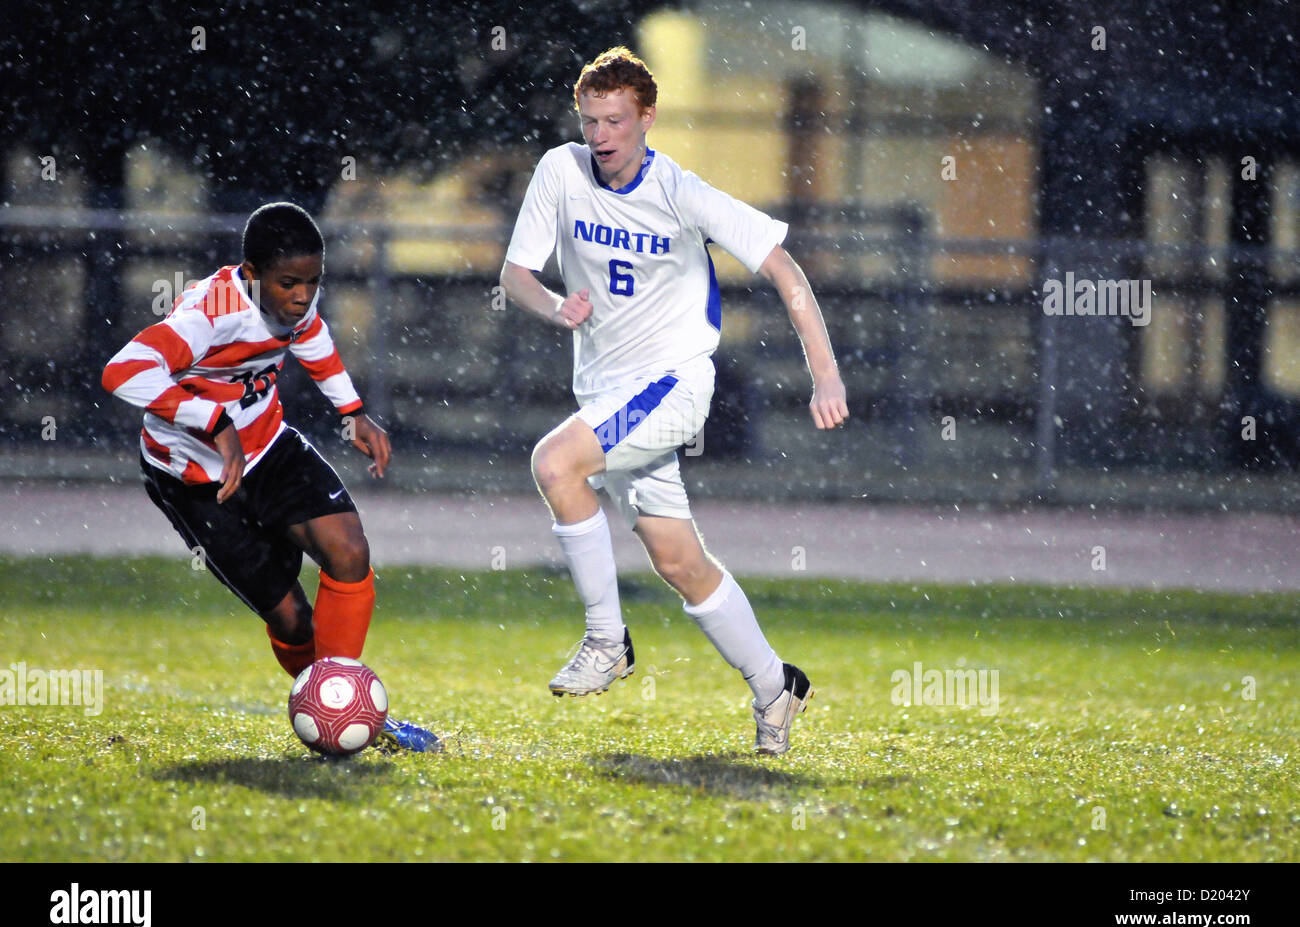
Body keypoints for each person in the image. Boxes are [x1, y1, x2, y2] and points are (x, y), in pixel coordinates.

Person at [500, 48, 849, 754]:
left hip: (674, 385)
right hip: (608, 396)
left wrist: (828, 374)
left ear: (647, 119)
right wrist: (553, 306)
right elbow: (515, 274)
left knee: (556, 464)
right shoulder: (560, 172)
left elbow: (784, 268)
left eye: (616, 121)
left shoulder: (680, 191)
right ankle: (776, 686)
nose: (601, 135)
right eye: (591, 119)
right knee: (679, 561)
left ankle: (608, 641)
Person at [102, 201, 439, 753]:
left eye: (313, 281)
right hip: (192, 478)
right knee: (292, 623)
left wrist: (351, 411)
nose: (302, 295)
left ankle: (354, 718)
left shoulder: (293, 295)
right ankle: (336, 712)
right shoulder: (208, 315)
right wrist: (211, 421)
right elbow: (122, 371)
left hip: (270, 447)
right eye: (290, 283)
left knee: (349, 551)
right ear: (253, 275)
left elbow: (310, 334)